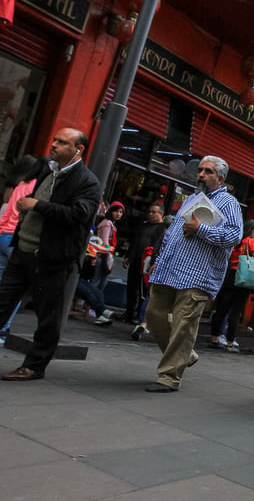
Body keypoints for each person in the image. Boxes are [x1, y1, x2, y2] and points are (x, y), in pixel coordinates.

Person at [0, 128, 101, 381]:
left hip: (50, 258)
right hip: (22, 250)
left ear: (78, 150)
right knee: (2, 302)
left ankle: (34, 366)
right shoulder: (48, 169)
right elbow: (40, 199)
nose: (54, 144)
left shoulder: (87, 181)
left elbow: (79, 214)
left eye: (62, 142)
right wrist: (28, 208)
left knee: (48, 316)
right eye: (54, 139)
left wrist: (39, 206)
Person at [143, 156, 242, 392]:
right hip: (169, 269)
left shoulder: (229, 203)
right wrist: (159, 260)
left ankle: (169, 377)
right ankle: (184, 354)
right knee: (154, 314)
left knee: (183, 325)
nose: (201, 175)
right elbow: (173, 233)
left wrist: (201, 229)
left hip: (198, 275)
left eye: (207, 171)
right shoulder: (192, 199)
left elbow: (234, 237)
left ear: (220, 178)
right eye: (200, 170)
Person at [0, 155, 49, 342]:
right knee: (15, 289)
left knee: (3, 286)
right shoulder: (38, 188)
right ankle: (3, 329)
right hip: (18, 238)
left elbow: (5, 214)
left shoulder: (20, 185)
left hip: (3, 235)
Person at [209, 218, 254, 352]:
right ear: (253, 231)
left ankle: (215, 338)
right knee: (236, 311)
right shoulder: (250, 242)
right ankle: (230, 342)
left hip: (229, 277)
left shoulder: (235, 241)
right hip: (242, 279)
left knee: (222, 308)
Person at [123, 202, 166, 324]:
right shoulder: (143, 226)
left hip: (147, 262)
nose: (150, 214)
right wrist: (128, 256)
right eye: (150, 212)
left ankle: (139, 315)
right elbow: (135, 241)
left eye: (154, 212)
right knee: (131, 286)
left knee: (143, 290)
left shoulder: (162, 229)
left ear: (161, 214)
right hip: (136, 259)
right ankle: (129, 312)